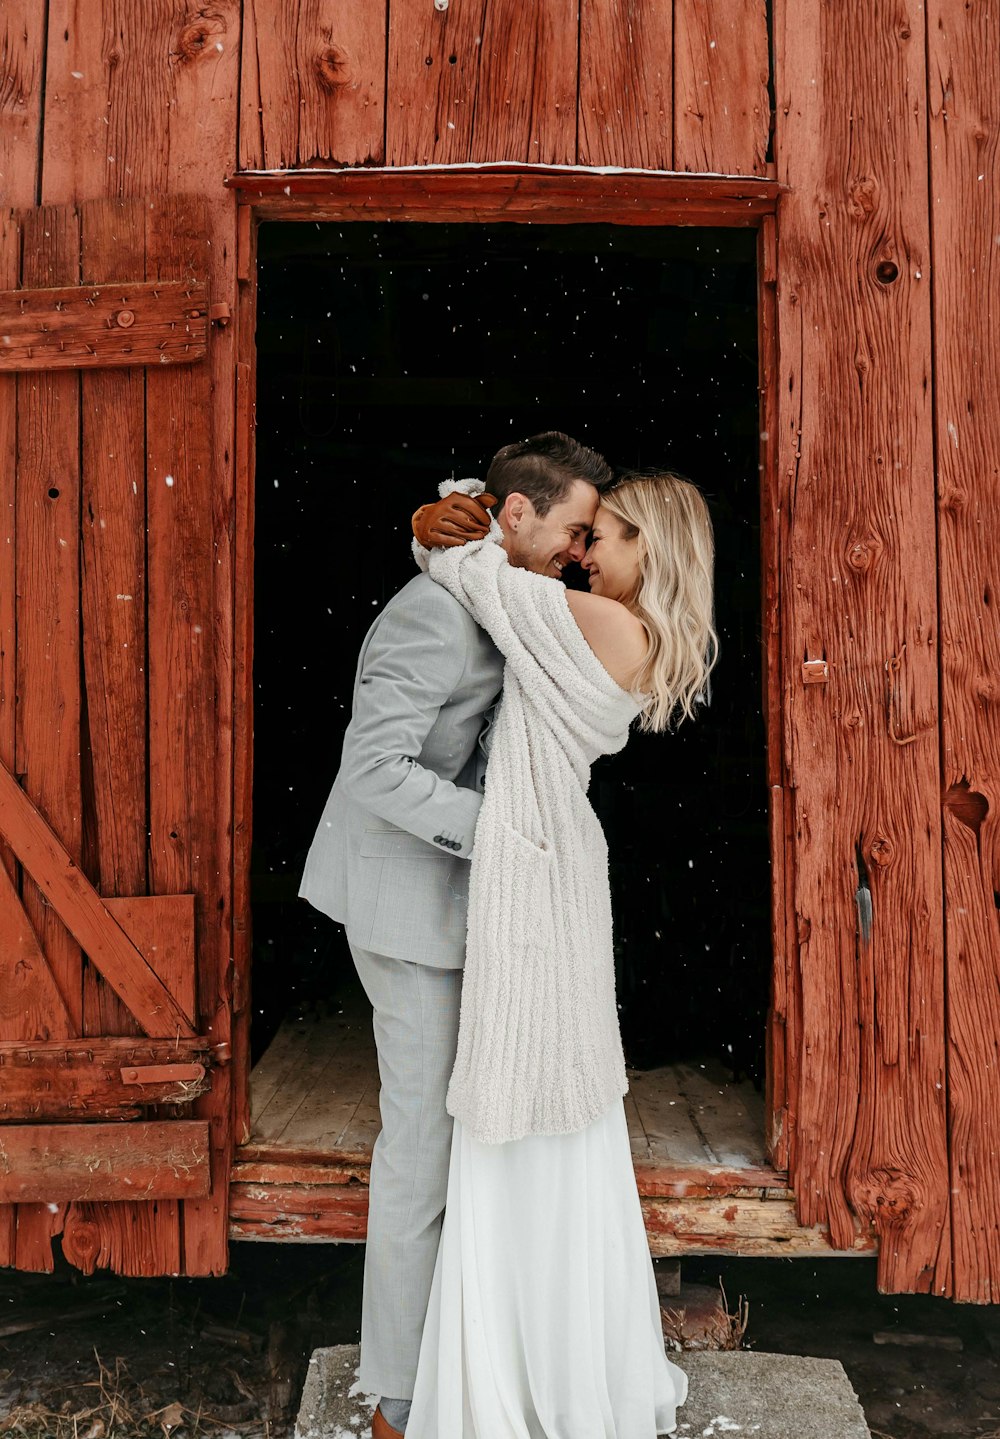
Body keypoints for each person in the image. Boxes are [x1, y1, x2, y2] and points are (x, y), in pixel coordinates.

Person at [298, 433, 612, 1439]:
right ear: (515, 516)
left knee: (464, 1139)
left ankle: (463, 1349)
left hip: (467, 904)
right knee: (421, 1148)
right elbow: (373, 769)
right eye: (568, 527)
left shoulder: (486, 580)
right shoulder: (433, 613)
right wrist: (509, 837)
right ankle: (396, 1391)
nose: (576, 548)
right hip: (404, 908)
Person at [400, 467, 719, 1437]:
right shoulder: (627, 630)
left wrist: (440, 507)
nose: (585, 552)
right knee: (561, 1121)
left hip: (535, 874)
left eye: (608, 537)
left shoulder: (601, 625)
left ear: (650, 552)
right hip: (555, 863)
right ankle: (571, 1358)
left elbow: (469, 572)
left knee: (515, 1111)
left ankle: (516, 1373)